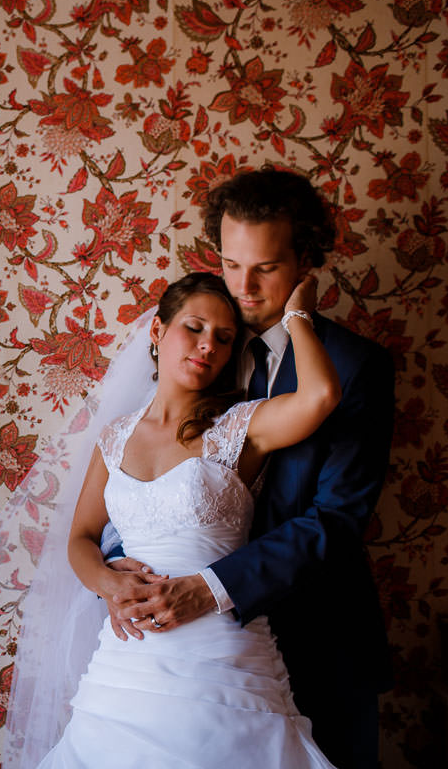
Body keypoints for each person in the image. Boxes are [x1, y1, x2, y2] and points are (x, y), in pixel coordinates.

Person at [101, 168, 394, 768]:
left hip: (317, 632)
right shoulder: (200, 346)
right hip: (177, 653)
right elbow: (140, 470)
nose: (245, 287)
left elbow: (335, 519)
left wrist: (212, 589)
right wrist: (118, 575)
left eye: (265, 267)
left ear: (306, 259)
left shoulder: (356, 367)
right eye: (232, 264)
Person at [21, 267, 340, 768]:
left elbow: (320, 397)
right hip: (127, 662)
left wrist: (297, 315)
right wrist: (108, 583)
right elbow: (81, 538)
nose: (208, 345)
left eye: (224, 337)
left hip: (220, 658)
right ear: (157, 332)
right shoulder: (115, 437)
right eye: (194, 328)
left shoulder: (240, 425)